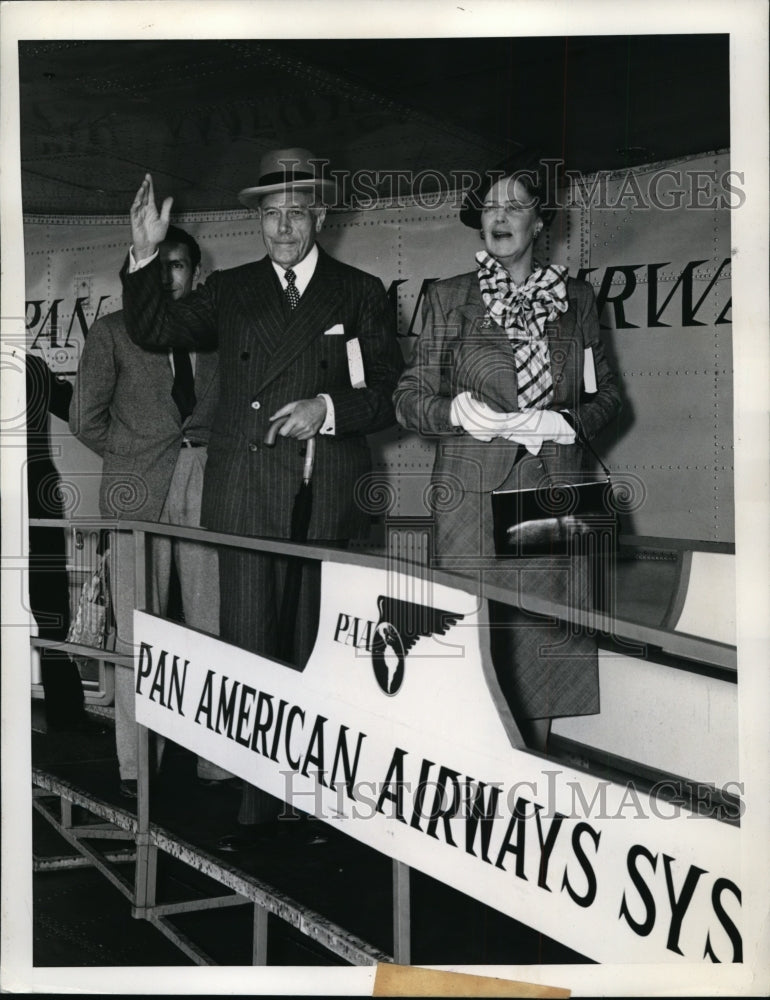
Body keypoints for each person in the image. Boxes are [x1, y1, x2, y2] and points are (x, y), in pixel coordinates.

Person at [120, 148, 403, 842]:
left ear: (322, 216)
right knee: (250, 654)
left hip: (327, 499)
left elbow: (387, 394)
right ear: (258, 222)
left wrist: (327, 407)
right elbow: (155, 329)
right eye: (271, 215)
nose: (282, 228)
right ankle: (253, 808)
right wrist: (145, 253)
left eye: (296, 214)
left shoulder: (361, 291)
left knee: (322, 655)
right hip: (247, 494)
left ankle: (317, 805)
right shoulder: (233, 291)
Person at [393, 161, 622, 752]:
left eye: (514, 206)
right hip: (470, 496)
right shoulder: (449, 299)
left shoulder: (576, 299)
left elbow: (609, 397)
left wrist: (565, 421)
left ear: (539, 221)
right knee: (473, 647)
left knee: (544, 648)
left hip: (554, 489)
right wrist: (454, 412)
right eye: (490, 207)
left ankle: (534, 783)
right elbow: (408, 398)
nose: (499, 217)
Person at [70, 225, 227, 797]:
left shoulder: (216, 337)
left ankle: (220, 764)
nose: (168, 277)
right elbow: (87, 418)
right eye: (156, 266)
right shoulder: (113, 332)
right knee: (137, 631)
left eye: (179, 265)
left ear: (195, 273)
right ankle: (137, 768)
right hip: (136, 487)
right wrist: (134, 458)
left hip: (208, 482)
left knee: (214, 628)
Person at [26, 350, 89, 732]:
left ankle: (67, 714)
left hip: (35, 497)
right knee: (51, 606)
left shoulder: (31, 366)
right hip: (37, 495)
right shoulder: (31, 365)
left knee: (51, 606)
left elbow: (80, 411)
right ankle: (66, 715)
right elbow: (79, 412)